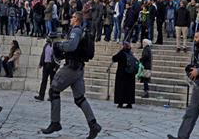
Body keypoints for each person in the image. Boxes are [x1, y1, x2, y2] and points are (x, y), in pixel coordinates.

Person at [41, 11, 101, 139]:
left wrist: (58, 45)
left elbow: (71, 46)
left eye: (73, 17)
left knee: (53, 91)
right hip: (78, 69)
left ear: (77, 19)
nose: (71, 18)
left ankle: (55, 122)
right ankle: (94, 125)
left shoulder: (76, 31)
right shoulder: (78, 31)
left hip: (72, 68)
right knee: (80, 99)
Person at [112, 41, 135, 109]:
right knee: (129, 89)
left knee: (121, 88)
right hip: (130, 74)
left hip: (122, 74)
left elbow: (114, 58)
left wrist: (120, 50)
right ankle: (129, 103)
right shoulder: (131, 54)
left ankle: (120, 103)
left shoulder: (122, 53)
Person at [34, 35, 58, 101]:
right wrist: (40, 63)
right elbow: (43, 54)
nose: (48, 39)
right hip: (45, 65)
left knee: (52, 82)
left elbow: (57, 57)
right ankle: (41, 96)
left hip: (52, 66)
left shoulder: (55, 46)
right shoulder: (46, 45)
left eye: (49, 38)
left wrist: (56, 67)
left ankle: (51, 96)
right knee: (43, 81)